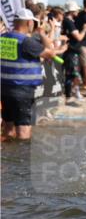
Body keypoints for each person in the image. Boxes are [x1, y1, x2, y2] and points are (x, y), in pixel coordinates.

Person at [1, 8, 56, 141]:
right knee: (23, 132)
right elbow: (51, 52)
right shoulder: (26, 41)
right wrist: (42, 33)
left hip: (4, 89)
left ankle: (7, 158)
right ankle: (20, 159)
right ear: (29, 23)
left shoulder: (2, 38)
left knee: (8, 128)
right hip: (22, 91)